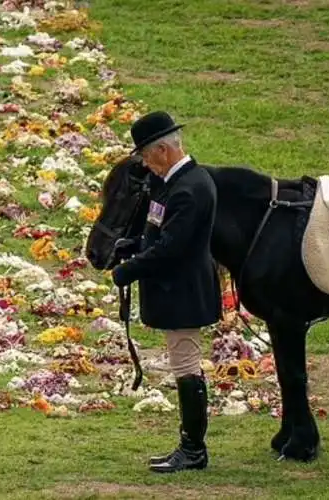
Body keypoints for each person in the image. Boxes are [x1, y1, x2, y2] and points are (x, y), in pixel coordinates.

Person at [111, 111, 222, 473]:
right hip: (176, 287)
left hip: (184, 290)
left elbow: (172, 248)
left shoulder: (191, 188)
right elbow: (158, 230)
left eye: (145, 156)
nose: (145, 163)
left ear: (162, 149)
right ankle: (190, 446)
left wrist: (129, 270)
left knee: (187, 366)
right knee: (182, 364)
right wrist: (133, 245)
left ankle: (193, 449)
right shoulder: (174, 183)